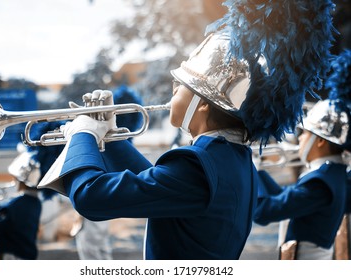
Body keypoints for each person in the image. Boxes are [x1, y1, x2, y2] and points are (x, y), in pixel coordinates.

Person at [38, 1, 335, 259]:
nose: (173, 90)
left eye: (181, 85)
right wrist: (110, 136)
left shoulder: (200, 165)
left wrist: (83, 133)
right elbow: (154, 185)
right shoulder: (227, 158)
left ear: (202, 104)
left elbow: (92, 198)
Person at [254, 49, 351, 260]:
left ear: (321, 141)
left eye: (305, 133)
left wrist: (251, 171)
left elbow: (263, 212)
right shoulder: (333, 175)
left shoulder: (320, 183)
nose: (299, 139)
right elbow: (284, 198)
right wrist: (259, 173)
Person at [0, 122, 63, 260]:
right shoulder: (33, 203)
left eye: (16, 178)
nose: (14, 181)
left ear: (22, 180)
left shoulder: (17, 205)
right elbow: (8, 219)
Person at [71, 84, 142, 260]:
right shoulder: (124, 143)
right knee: (99, 249)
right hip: (101, 198)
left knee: (91, 250)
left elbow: (84, 196)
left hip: (98, 196)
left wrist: (83, 135)